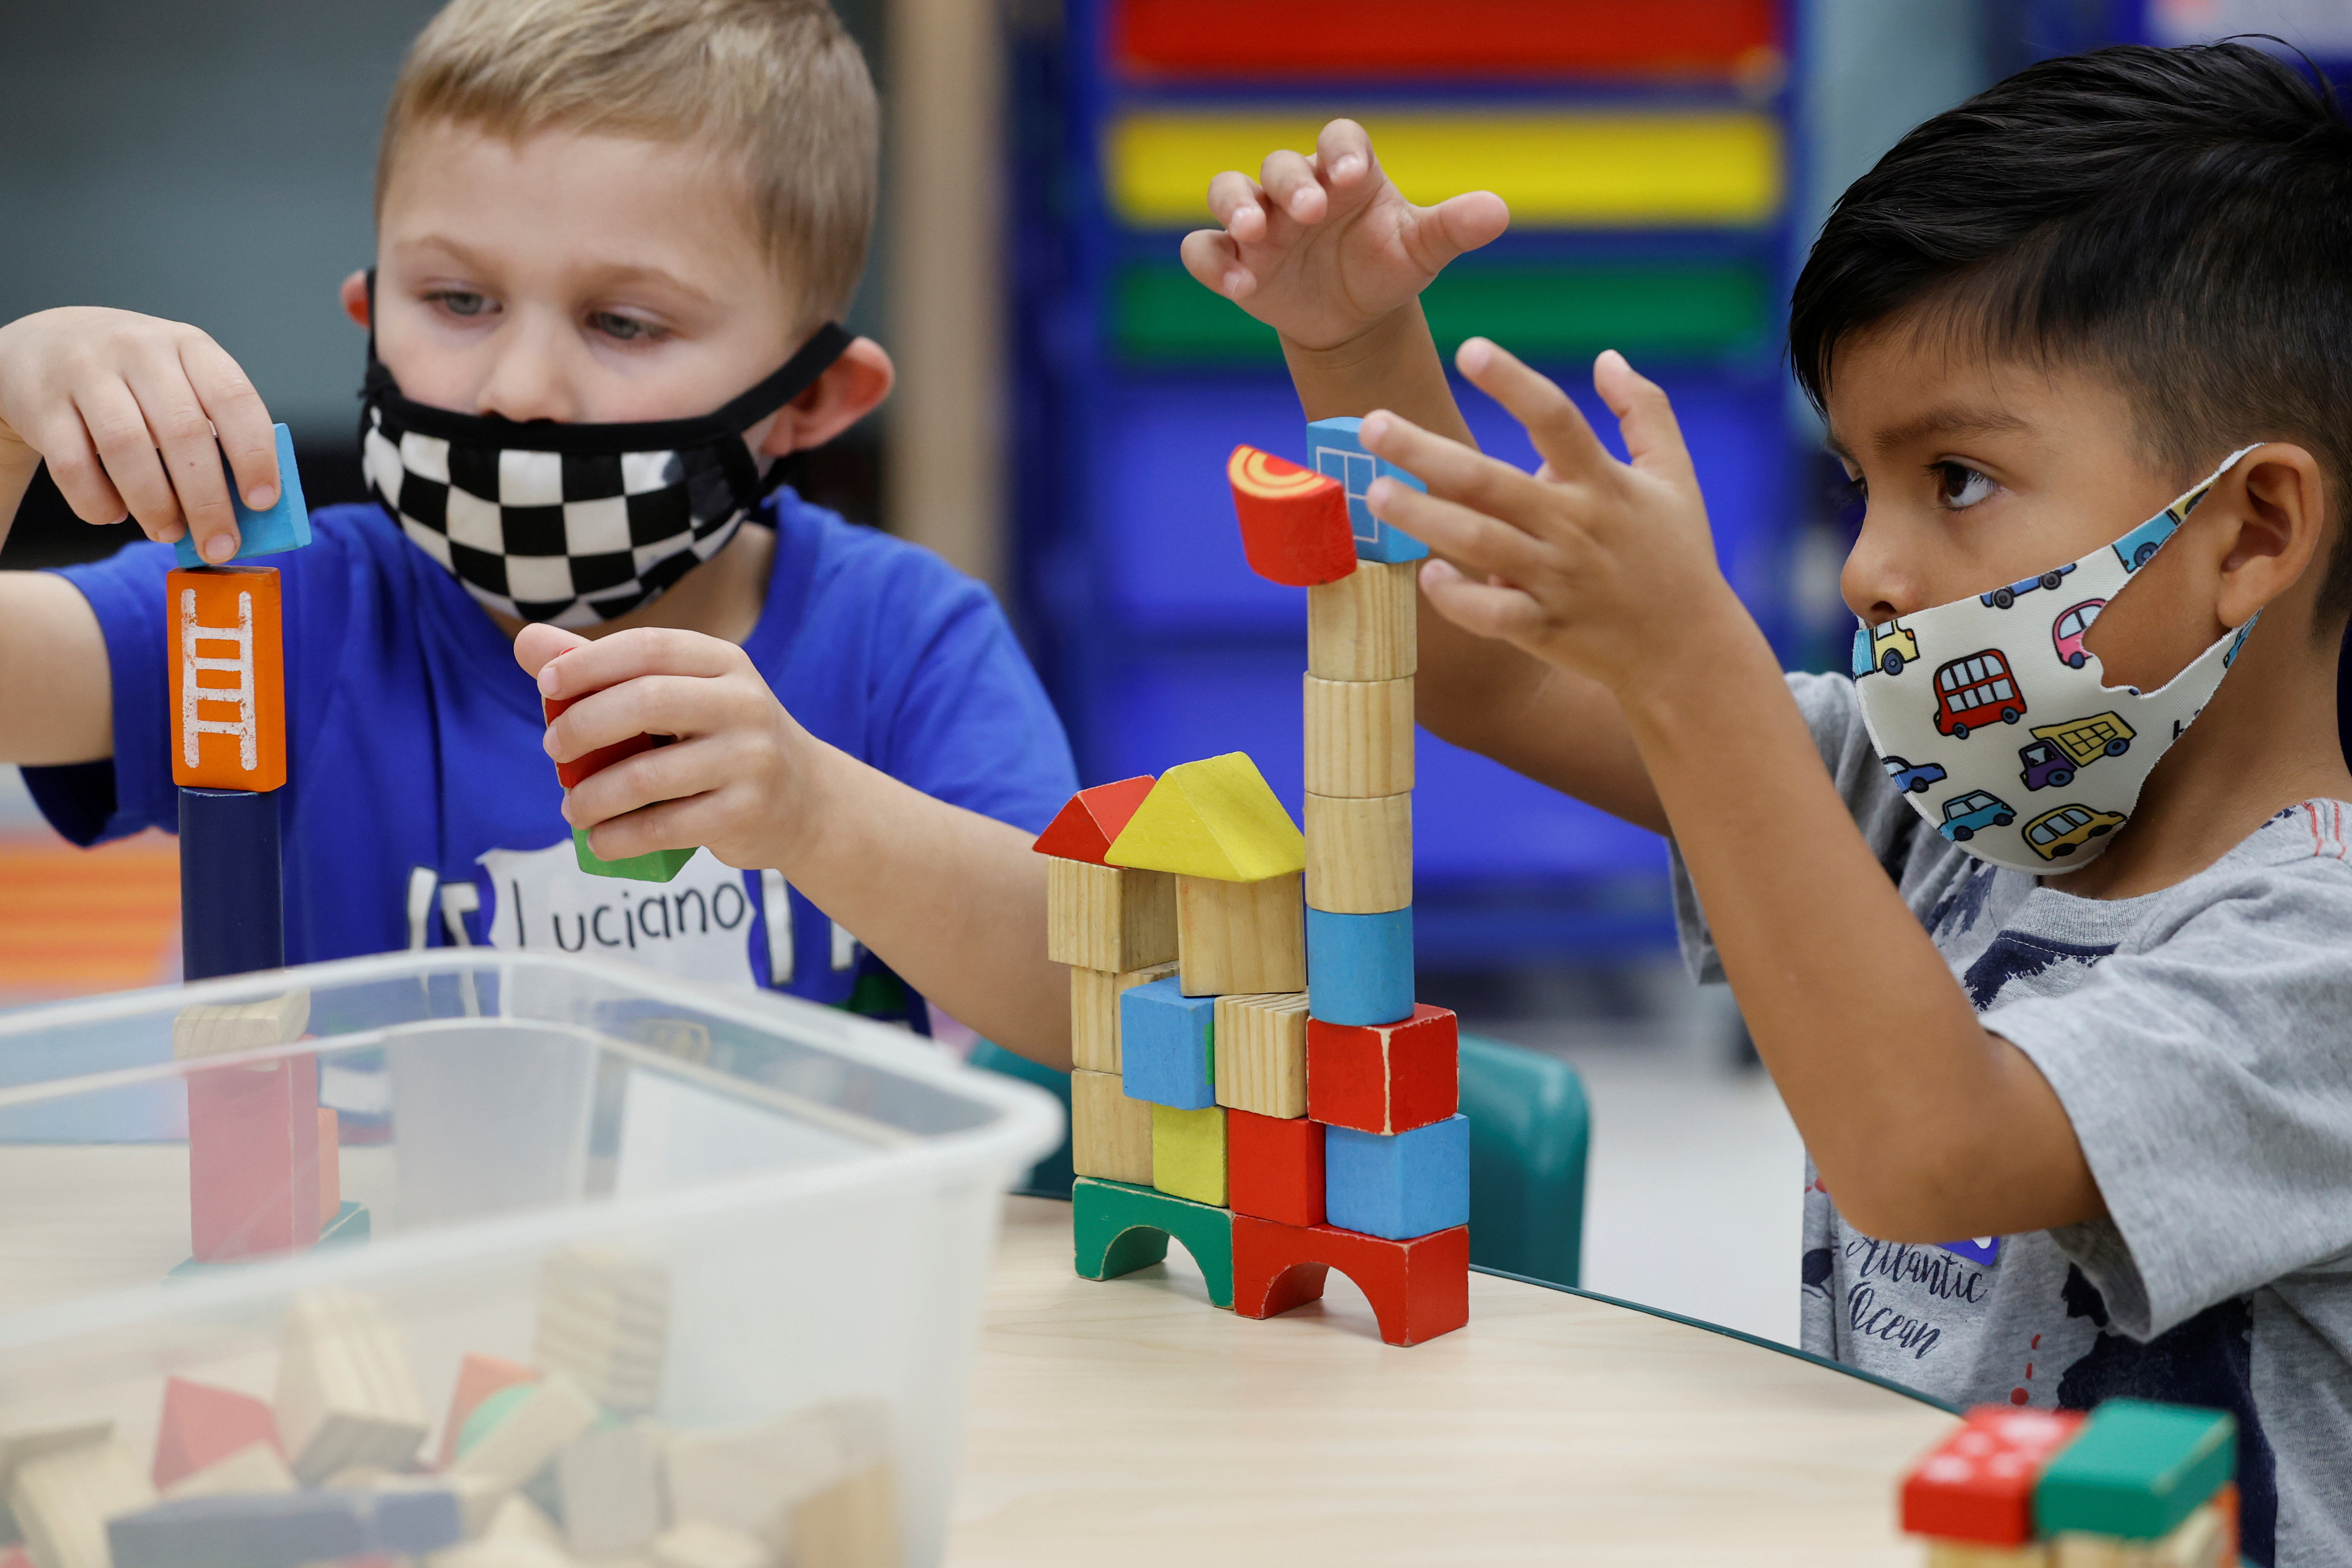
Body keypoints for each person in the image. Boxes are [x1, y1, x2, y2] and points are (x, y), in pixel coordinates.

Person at [1184, 44, 2352, 1564]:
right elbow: (1478, 675)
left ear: (2249, 527)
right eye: (1850, 486)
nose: (1868, 566)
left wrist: (1692, 662)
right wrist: (1354, 346)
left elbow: (1925, 1153)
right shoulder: (1938, 785)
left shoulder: (2310, 951)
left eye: (1952, 476)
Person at [0, 0, 1076, 1063]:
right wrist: (6, 417)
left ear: (814, 399)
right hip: (381, 1236)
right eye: (459, 300)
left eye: (624, 321)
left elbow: (1091, 1007)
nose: (518, 389)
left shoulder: (904, 636)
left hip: (778, 1235)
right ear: (373, 316)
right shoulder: (277, 612)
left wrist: (814, 812)